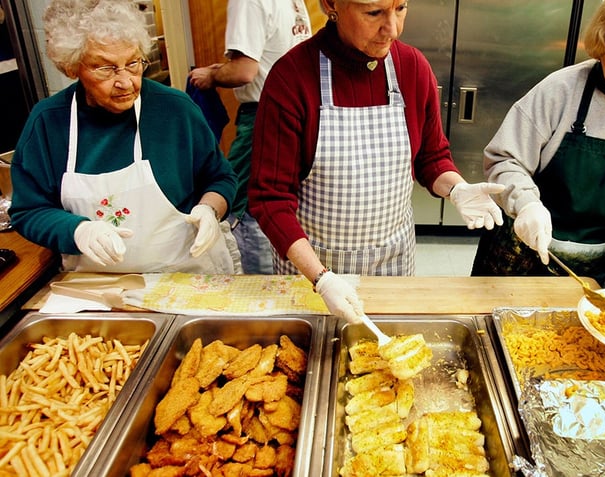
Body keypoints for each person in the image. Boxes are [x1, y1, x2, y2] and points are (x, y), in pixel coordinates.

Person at [249, 0, 505, 323]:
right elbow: (269, 199)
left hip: (393, 266)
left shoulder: (412, 67)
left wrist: (456, 189)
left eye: (401, 8)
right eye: (374, 13)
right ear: (331, 5)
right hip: (313, 271)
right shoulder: (291, 79)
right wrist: (322, 279)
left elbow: (432, 158)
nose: (393, 29)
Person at [471, 0, 605, 316]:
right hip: (516, 248)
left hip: (589, 265)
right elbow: (505, 159)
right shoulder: (559, 91)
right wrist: (526, 204)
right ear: (603, 42)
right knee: (487, 326)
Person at [10, 0, 240, 274]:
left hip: (185, 276)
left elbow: (221, 178)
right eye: (105, 68)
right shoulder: (48, 122)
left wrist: (209, 210)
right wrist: (78, 230)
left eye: (133, 63)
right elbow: (29, 211)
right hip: (99, 290)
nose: (126, 82)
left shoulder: (175, 110)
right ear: (72, 67)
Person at [188, 0, 312, 274]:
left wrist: (211, 75)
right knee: (285, 202)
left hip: (262, 116)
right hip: (301, 113)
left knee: (249, 208)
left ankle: (260, 289)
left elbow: (244, 71)